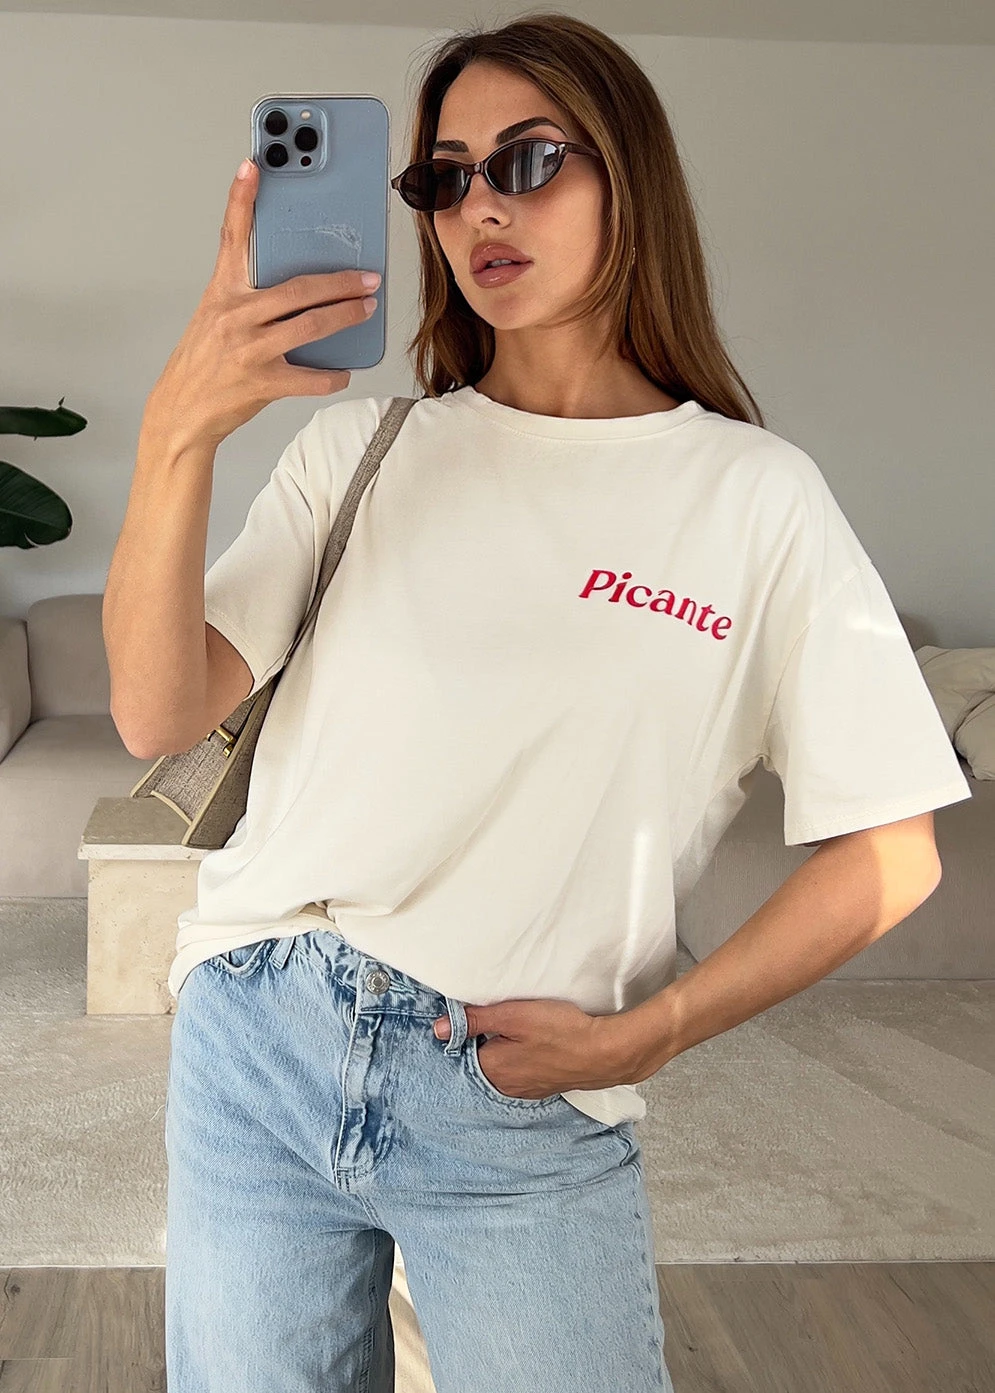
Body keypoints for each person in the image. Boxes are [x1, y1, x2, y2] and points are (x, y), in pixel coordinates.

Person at [103, 13, 971, 1393]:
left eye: (529, 160)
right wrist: (175, 436)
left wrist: (650, 1033)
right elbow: (157, 715)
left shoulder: (756, 499)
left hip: (514, 1087)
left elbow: (890, 851)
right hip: (258, 1042)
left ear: (631, 176)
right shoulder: (362, 448)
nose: (481, 210)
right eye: (445, 179)